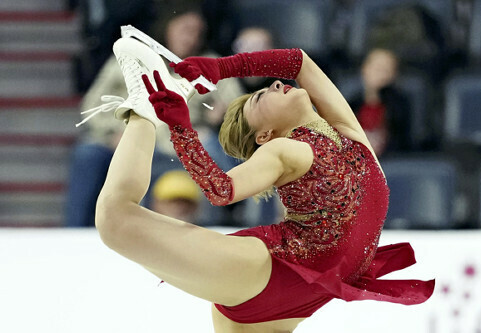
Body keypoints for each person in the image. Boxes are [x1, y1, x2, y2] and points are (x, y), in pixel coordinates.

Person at [93, 33, 434, 332]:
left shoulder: (349, 135)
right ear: (265, 135)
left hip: (295, 292)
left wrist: (221, 68)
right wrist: (180, 126)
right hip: (270, 272)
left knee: (114, 218)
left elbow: (297, 62)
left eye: (267, 86)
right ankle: (142, 114)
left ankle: (143, 113)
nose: (274, 84)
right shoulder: (286, 150)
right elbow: (221, 191)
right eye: (260, 98)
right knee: (113, 218)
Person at [65, 7, 243, 227]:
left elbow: (238, 111)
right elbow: (92, 105)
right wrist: (116, 131)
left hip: (181, 146)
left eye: (197, 32)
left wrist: (219, 118)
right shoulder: (131, 58)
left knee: (217, 151)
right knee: (87, 154)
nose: (191, 37)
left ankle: (214, 228)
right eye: (185, 29)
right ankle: (74, 231)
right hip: (130, 139)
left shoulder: (209, 64)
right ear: (167, 27)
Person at [348, 48, 412, 156]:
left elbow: (403, 141)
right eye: (377, 69)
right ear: (364, 69)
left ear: (394, 75)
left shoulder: (400, 106)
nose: (380, 75)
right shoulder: (352, 103)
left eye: (386, 70)